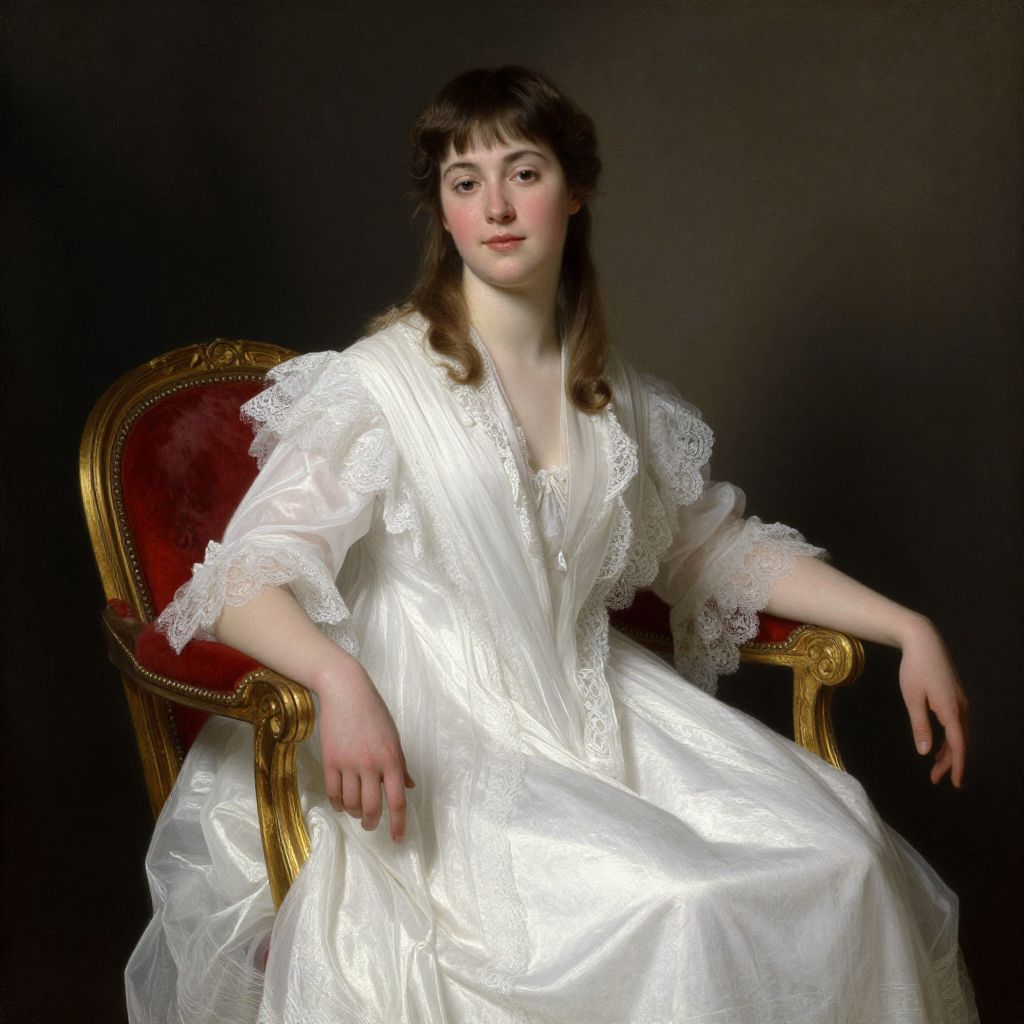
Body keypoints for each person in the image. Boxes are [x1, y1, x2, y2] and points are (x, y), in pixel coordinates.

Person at [128, 66, 978, 1023]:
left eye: (523, 173)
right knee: (681, 903)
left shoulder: (615, 394)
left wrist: (907, 626)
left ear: (574, 192)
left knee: (844, 855)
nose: (495, 206)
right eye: (465, 182)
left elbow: (712, 551)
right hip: (444, 733)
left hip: (600, 705)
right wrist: (338, 678)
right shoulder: (379, 386)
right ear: (443, 212)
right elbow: (245, 576)